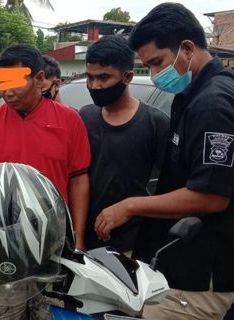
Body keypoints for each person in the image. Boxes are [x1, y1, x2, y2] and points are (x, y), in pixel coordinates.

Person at [94, 3, 234, 319]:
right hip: (183, 262)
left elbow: (211, 195)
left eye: (157, 63)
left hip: (201, 277)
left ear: (186, 49)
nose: (155, 75)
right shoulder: (194, 95)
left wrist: (129, 206)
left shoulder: (212, 104)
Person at [0, 44, 90, 320]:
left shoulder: (69, 121)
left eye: (15, 82)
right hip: (2, 246)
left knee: (49, 313)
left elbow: (79, 179)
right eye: (2, 83)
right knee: (4, 314)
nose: (7, 91)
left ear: (40, 79)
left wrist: (77, 239)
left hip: (53, 244)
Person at [79, 36, 169, 253]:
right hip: (86, 242)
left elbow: (169, 187)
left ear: (127, 77)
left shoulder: (155, 122)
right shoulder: (85, 117)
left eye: (103, 78)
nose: (94, 86)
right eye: (89, 78)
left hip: (133, 245)